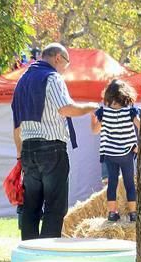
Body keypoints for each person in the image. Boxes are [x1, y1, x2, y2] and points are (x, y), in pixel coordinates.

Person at [11, 43, 98, 239]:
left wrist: (20, 156)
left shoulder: (22, 81)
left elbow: (16, 125)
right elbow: (65, 108)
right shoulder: (52, 77)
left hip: (27, 150)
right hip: (52, 149)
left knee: (30, 207)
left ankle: (29, 251)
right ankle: (47, 254)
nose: (64, 70)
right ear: (58, 57)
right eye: (65, 64)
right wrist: (90, 106)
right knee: (54, 206)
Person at [91, 79, 141, 222]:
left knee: (112, 184)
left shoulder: (103, 113)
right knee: (129, 183)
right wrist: (139, 144)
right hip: (126, 154)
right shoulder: (130, 111)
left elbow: (95, 131)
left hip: (109, 154)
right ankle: (133, 213)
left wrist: (92, 119)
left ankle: (112, 213)